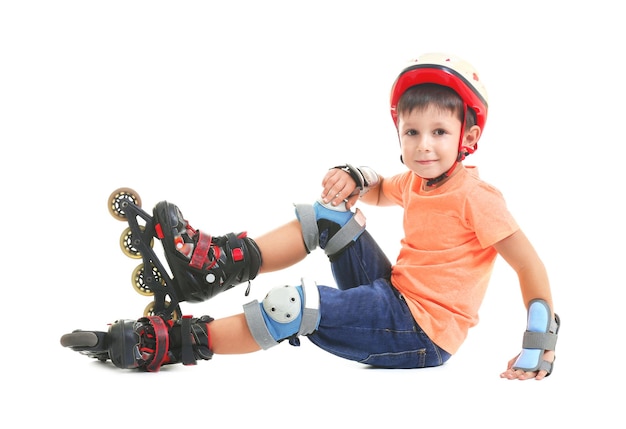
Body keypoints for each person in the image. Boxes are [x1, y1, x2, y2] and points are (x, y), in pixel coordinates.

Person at [61, 52, 559, 380]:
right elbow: (382, 189)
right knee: (328, 216)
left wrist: (540, 341)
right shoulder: (418, 181)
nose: (424, 146)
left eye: (439, 133)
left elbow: (529, 265)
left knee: (289, 307)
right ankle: (214, 265)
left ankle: (182, 342)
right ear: (400, 134)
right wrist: (354, 176)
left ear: (466, 139)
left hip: (420, 335)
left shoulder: (479, 198)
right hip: (395, 295)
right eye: (412, 133)